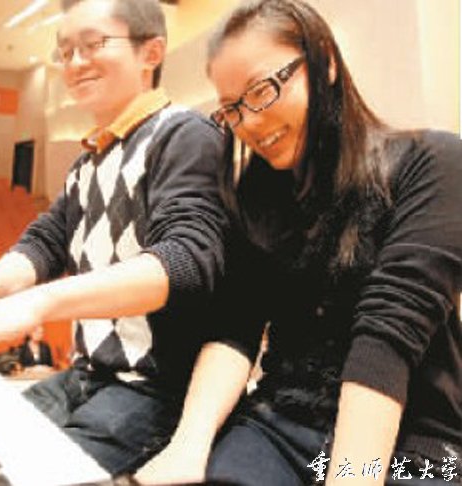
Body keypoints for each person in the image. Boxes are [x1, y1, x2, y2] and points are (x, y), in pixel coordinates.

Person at [0, 0, 228, 476]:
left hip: (151, 391)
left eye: (93, 44)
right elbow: (44, 244)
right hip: (85, 377)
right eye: (65, 52)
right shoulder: (88, 160)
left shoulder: (186, 135)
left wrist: (33, 306)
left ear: (151, 52)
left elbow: (184, 260)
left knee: (11, 472)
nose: (75, 63)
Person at [136, 1, 462, 485]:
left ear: (324, 61)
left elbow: (388, 336)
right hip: (281, 426)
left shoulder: (434, 162)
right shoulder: (256, 198)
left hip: (408, 442)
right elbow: (234, 328)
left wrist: (350, 476)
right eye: (232, 109)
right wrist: (189, 446)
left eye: (262, 90)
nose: (250, 122)